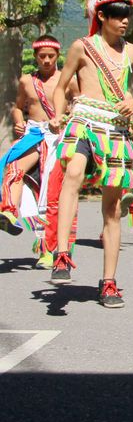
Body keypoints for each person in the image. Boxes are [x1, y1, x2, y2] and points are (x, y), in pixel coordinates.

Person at [48, 0, 133, 308]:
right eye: (118, 16)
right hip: (83, 120)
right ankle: (62, 253)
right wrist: (57, 115)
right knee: (73, 175)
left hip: (116, 129)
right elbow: (61, 86)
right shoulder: (82, 47)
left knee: (111, 209)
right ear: (102, 18)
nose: (124, 22)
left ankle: (109, 283)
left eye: (127, 17)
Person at [0, 36, 72, 268]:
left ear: (58, 56)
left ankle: (48, 249)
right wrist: (18, 121)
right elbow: (18, 107)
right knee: (12, 167)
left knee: (50, 196)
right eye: (42, 56)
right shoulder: (26, 81)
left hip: (57, 137)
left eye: (51, 56)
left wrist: (65, 118)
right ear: (36, 57)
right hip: (33, 134)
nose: (47, 60)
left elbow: (79, 104)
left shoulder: (66, 80)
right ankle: (9, 212)